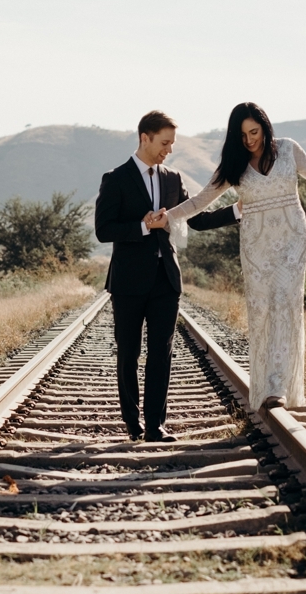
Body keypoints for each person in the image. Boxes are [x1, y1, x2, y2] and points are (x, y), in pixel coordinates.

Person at [163, 102, 306, 412]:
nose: (249, 140)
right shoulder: (234, 163)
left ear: (265, 127)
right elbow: (202, 200)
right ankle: (268, 384)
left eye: (254, 132)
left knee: (285, 303)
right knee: (262, 311)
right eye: (242, 135)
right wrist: (166, 217)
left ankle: (278, 387)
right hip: (255, 246)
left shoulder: (288, 149)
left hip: (292, 239)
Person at [95, 111, 242, 442]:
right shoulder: (115, 178)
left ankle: (155, 427)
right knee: (129, 353)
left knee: (162, 353)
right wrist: (143, 227)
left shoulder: (173, 179)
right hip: (128, 282)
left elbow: (196, 219)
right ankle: (132, 424)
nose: (169, 150)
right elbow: (103, 230)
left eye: (172, 144)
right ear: (144, 138)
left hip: (166, 280)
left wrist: (235, 211)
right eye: (164, 143)